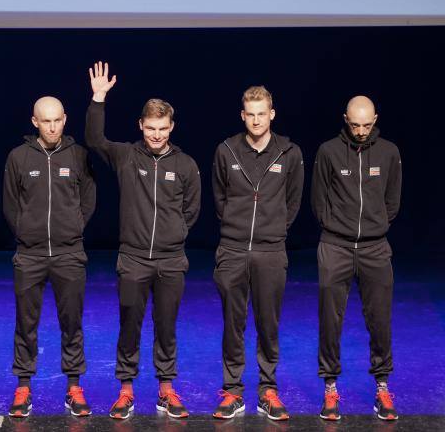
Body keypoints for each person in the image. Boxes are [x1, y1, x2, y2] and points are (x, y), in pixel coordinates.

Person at [85, 62, 201, 420]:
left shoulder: (185, 164)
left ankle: (166, 390)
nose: (156, 134)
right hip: (133, 260)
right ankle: (126, 390)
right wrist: (98, 99)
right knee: (129, 326)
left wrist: (174, 236)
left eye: (162, 128)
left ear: (172, 127)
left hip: (170, 261)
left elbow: (191, 210)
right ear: (140, 125)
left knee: (166, 328)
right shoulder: (126, 156)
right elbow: (93, 140)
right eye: (150, 128)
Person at [210, 86, 303, 421]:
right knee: (233, 325)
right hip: (233, 250)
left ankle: (268, 390)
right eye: (250, 114)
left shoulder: (289, 153)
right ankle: (233, 391)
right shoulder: (226, 151)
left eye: (262, 113)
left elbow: (293, 202)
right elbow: (220, 199)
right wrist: (236, 230)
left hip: (271, 251)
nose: (256, 120)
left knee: (268, 324)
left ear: (272, 114)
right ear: (242, 115)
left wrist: (273, 229)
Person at [4, 96, 96, 418]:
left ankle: (73, 386)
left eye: (57, 120)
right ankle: (23, 386)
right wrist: (26, 232)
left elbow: (88, 199)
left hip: (69, 254)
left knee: (72, 324)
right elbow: (11, 205)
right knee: (25, 325)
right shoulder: (18, 157)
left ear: (65, 119)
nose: (53, 127)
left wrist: (72, 227)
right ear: (35, 122)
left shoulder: (79, 156)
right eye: (46, 121)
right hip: (30, 256)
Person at [312, 95, 402, 421]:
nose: (361, 131)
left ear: (375, 119)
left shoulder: (389, 153)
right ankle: (331, 388)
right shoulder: (329, 152)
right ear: (345, 120)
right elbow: (318, 201)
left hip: (375, 248)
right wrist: (338, 229)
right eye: (355, 125)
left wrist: (374, 229)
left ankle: (382, 387)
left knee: (380, 319)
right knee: (330, 320)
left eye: (366, 124)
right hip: (335, 246)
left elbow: (392, 202)